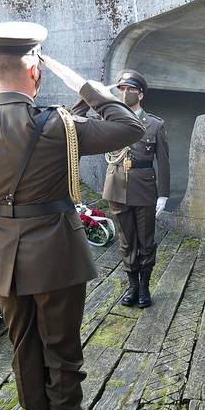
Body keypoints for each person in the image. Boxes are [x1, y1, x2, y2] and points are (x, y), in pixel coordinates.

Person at [0, 22, 145, 410]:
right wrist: (89, 88)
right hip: (57, 253)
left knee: (24, 347)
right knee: (62, 348)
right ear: (34, 69)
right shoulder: (59, 124)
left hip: (5, 261)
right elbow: (127, 125)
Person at [74, 70, 170, 309]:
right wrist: (91, 94)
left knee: (146, 241)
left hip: (145, 188)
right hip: (116, 186)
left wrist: (163, 195)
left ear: (141, 94)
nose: (125, 93)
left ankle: (145, 286)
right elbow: (75, 119)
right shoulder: (109, 120)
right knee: (126, 241)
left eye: (130, 89)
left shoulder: (155, 124)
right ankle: (132, 286)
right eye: (121, 89)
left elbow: (164, 161)